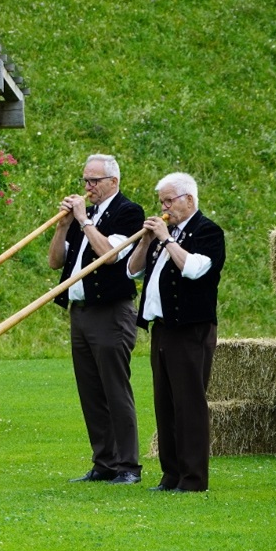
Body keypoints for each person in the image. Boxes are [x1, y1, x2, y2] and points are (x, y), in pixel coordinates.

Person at [48, 154, 146, 485]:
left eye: (94, 181)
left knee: (114, 389)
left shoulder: (127, 212)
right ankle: (103, 462)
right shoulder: (84, 215)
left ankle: (128, 466)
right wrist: (64, 224)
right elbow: (54, 261)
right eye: (85, 180)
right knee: (90, 391)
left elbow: (111, 256)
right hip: (81, 312)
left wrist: (84, 222)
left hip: (111, 311)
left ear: (113, 182)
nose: (88, 187)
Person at [127, 172, 225, 493]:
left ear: (189, 200)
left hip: (191, 328)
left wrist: (167, 239)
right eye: (162, 202)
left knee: (189, 404)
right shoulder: (161, 235)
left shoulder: (207, 231)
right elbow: (133, 269)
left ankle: (193, 479)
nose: (164, 207)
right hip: (163, 329)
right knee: (165, 404)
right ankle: (171, 475)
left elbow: (196, 269)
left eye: (170, 200)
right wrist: (145, 239)